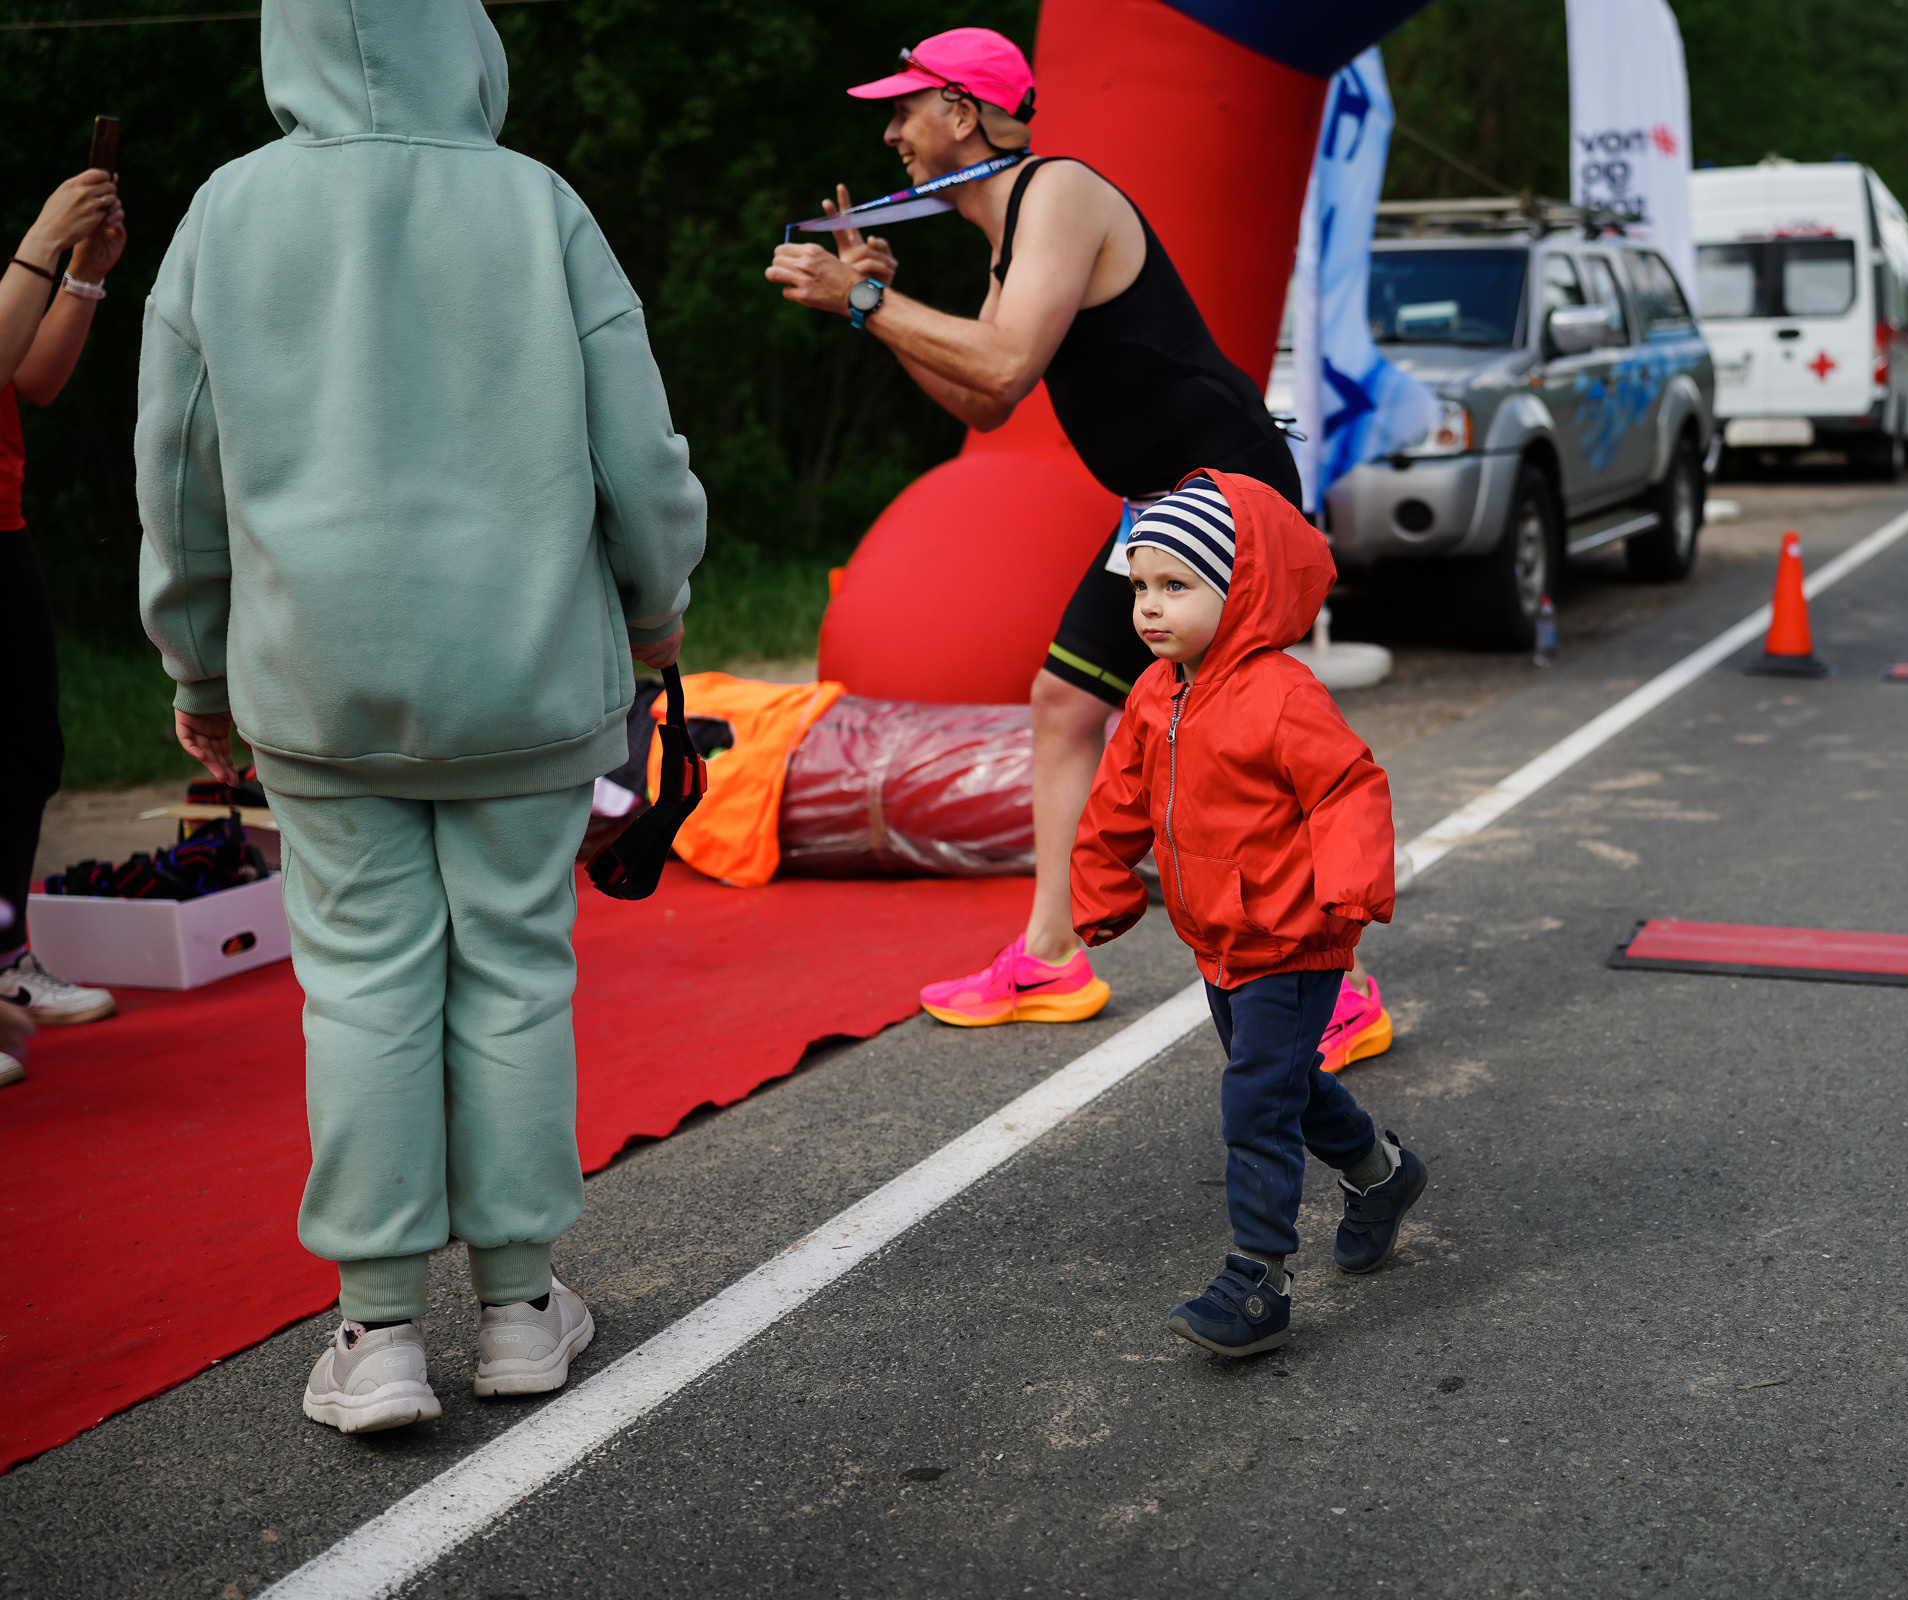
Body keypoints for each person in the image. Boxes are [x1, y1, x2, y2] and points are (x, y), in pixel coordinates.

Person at [138, 0, 706, 1435]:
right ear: (465, 38)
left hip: (315, 682)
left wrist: (197, 667)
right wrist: (657, 603)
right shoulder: (539, 204)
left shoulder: (225, 211)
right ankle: (521, 1310)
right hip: (522, 671)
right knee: (514, 966)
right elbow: (634, 444)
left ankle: (376, 1332)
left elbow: (180, 469)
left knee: (362, 983)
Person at [766, 28, 1389, 1068]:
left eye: (903, 110)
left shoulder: (1058, 191)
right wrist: (871, 315)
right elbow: (989, 396)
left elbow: (1003, 358)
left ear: (963, 113)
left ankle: (1342, 986)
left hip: (1226, 490)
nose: (891, 134)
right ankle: (1053, 952)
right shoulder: (1010, 238)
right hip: (1162, 504)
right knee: (1063, 702)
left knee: (1240, 742)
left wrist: (868, 298)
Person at [1072, 473, 1426, 1357]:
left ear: (1241, 592)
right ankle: (1381, 1175)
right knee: (1284, 1087)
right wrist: (1101, 877)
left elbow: (1347, 786)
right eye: (1141, 586)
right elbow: (1117, 796)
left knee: (1254, 1102)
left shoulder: (1281, 692)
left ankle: (1258, 1279)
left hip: (1293, 938)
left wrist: (1347, 889)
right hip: (1220, 939)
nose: (1150, 608)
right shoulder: (1157, 694)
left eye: (1175, 586)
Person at [1, 164, 128, 1039]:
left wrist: (83, 270)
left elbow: (29, 379)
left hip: (2, 526)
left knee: (23, 755)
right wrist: (42, 240)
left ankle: (7, 964)